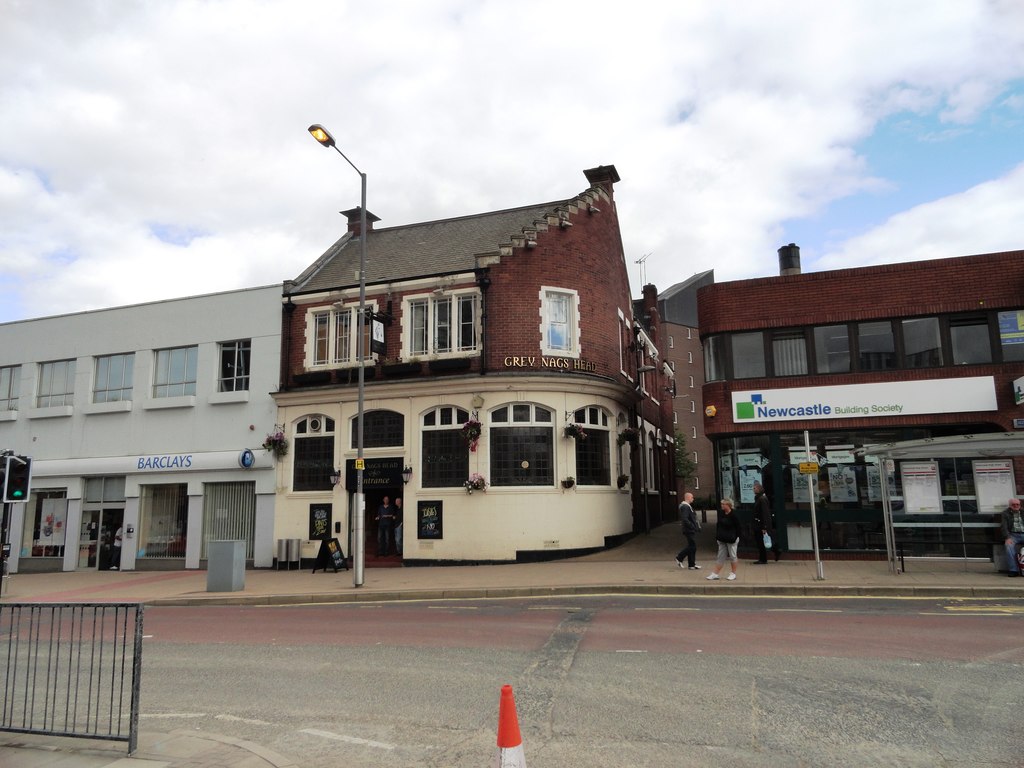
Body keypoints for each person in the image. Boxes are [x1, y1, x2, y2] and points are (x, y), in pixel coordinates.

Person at [707, 498, 742, 581]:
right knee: (720, 556)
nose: (722, 506)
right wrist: (718, 537)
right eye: (721, 504)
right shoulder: (722, 514)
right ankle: (715, 573)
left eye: (723, 504)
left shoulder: (734, 515)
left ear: (729, 505)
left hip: (731, 539)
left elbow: (738, 528)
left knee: (733, 556)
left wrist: (736, 537)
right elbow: (718, 526)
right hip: (722, 539)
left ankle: (733, 573)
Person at [751, 482, 781, 564]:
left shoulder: (762, 499)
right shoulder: (758, 498)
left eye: (755, 488)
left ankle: (764, 558)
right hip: (759, 523)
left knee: (762, 541)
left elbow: (765, 513)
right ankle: (774, 551)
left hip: (761, 524)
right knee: (763, 541)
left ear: (759, 489)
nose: (753, 490)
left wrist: (764, 527)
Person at [674, 492, 701, 570]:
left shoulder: (687, 506)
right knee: (692, 546)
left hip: (690, 529)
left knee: (692, 546)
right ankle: (679, 558)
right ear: (688, 498)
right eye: (692, 497)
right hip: (689, 530)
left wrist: (696, 527)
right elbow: (685, 519)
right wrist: (692, 526)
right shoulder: (685, 507)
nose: (693, 499)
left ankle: (691, 564)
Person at [1000, 497, 1023, 577]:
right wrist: (1007, 537)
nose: (1016, 506)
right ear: (1010, 505)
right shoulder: (1005, 513)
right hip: (1013, 535)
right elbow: (1004, 527)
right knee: (1008, 546)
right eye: (1013, 504)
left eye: (1017, 504)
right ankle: (1013, 570)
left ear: (1020, 505)